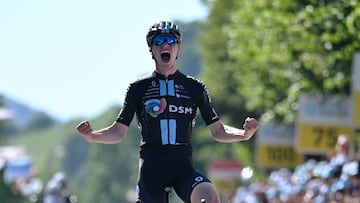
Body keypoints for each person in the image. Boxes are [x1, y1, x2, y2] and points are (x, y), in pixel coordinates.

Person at [76, 21, 259, 203]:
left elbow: (218, 131)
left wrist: (244, 134)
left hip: (183, 167)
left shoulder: (194, 88)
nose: (165, 45)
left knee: (209, 197)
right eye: (159, 41)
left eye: (171, 40)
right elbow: (118, 132)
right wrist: (93, 136)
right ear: (151, 49)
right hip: (151, 168)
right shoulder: (138, 89)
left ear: (178, 48)